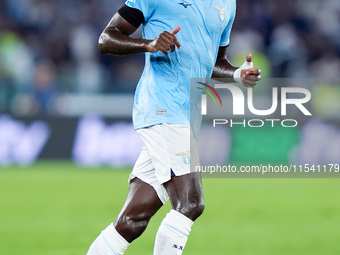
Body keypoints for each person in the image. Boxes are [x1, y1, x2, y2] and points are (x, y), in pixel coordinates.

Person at [86, 0, 261, 254]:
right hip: (161, 106)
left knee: (131, 222)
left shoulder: (227, 4)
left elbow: (214, 60)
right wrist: (148, 44)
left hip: (186, 114)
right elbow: (106, 39)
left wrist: (236, 74)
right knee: (190, 203)